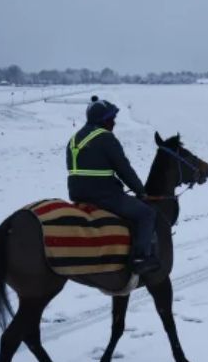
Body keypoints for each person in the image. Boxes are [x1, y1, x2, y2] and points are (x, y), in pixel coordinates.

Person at [67, 96, 159, 275]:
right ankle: (141, 258)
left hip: (77, 195)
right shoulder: (105, 137)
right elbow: (123, 169)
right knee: (147, 214)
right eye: (111, 119)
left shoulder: (74, 139)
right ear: (104, 120)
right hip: (104, 196)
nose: (114, 122)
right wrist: (141, 192)